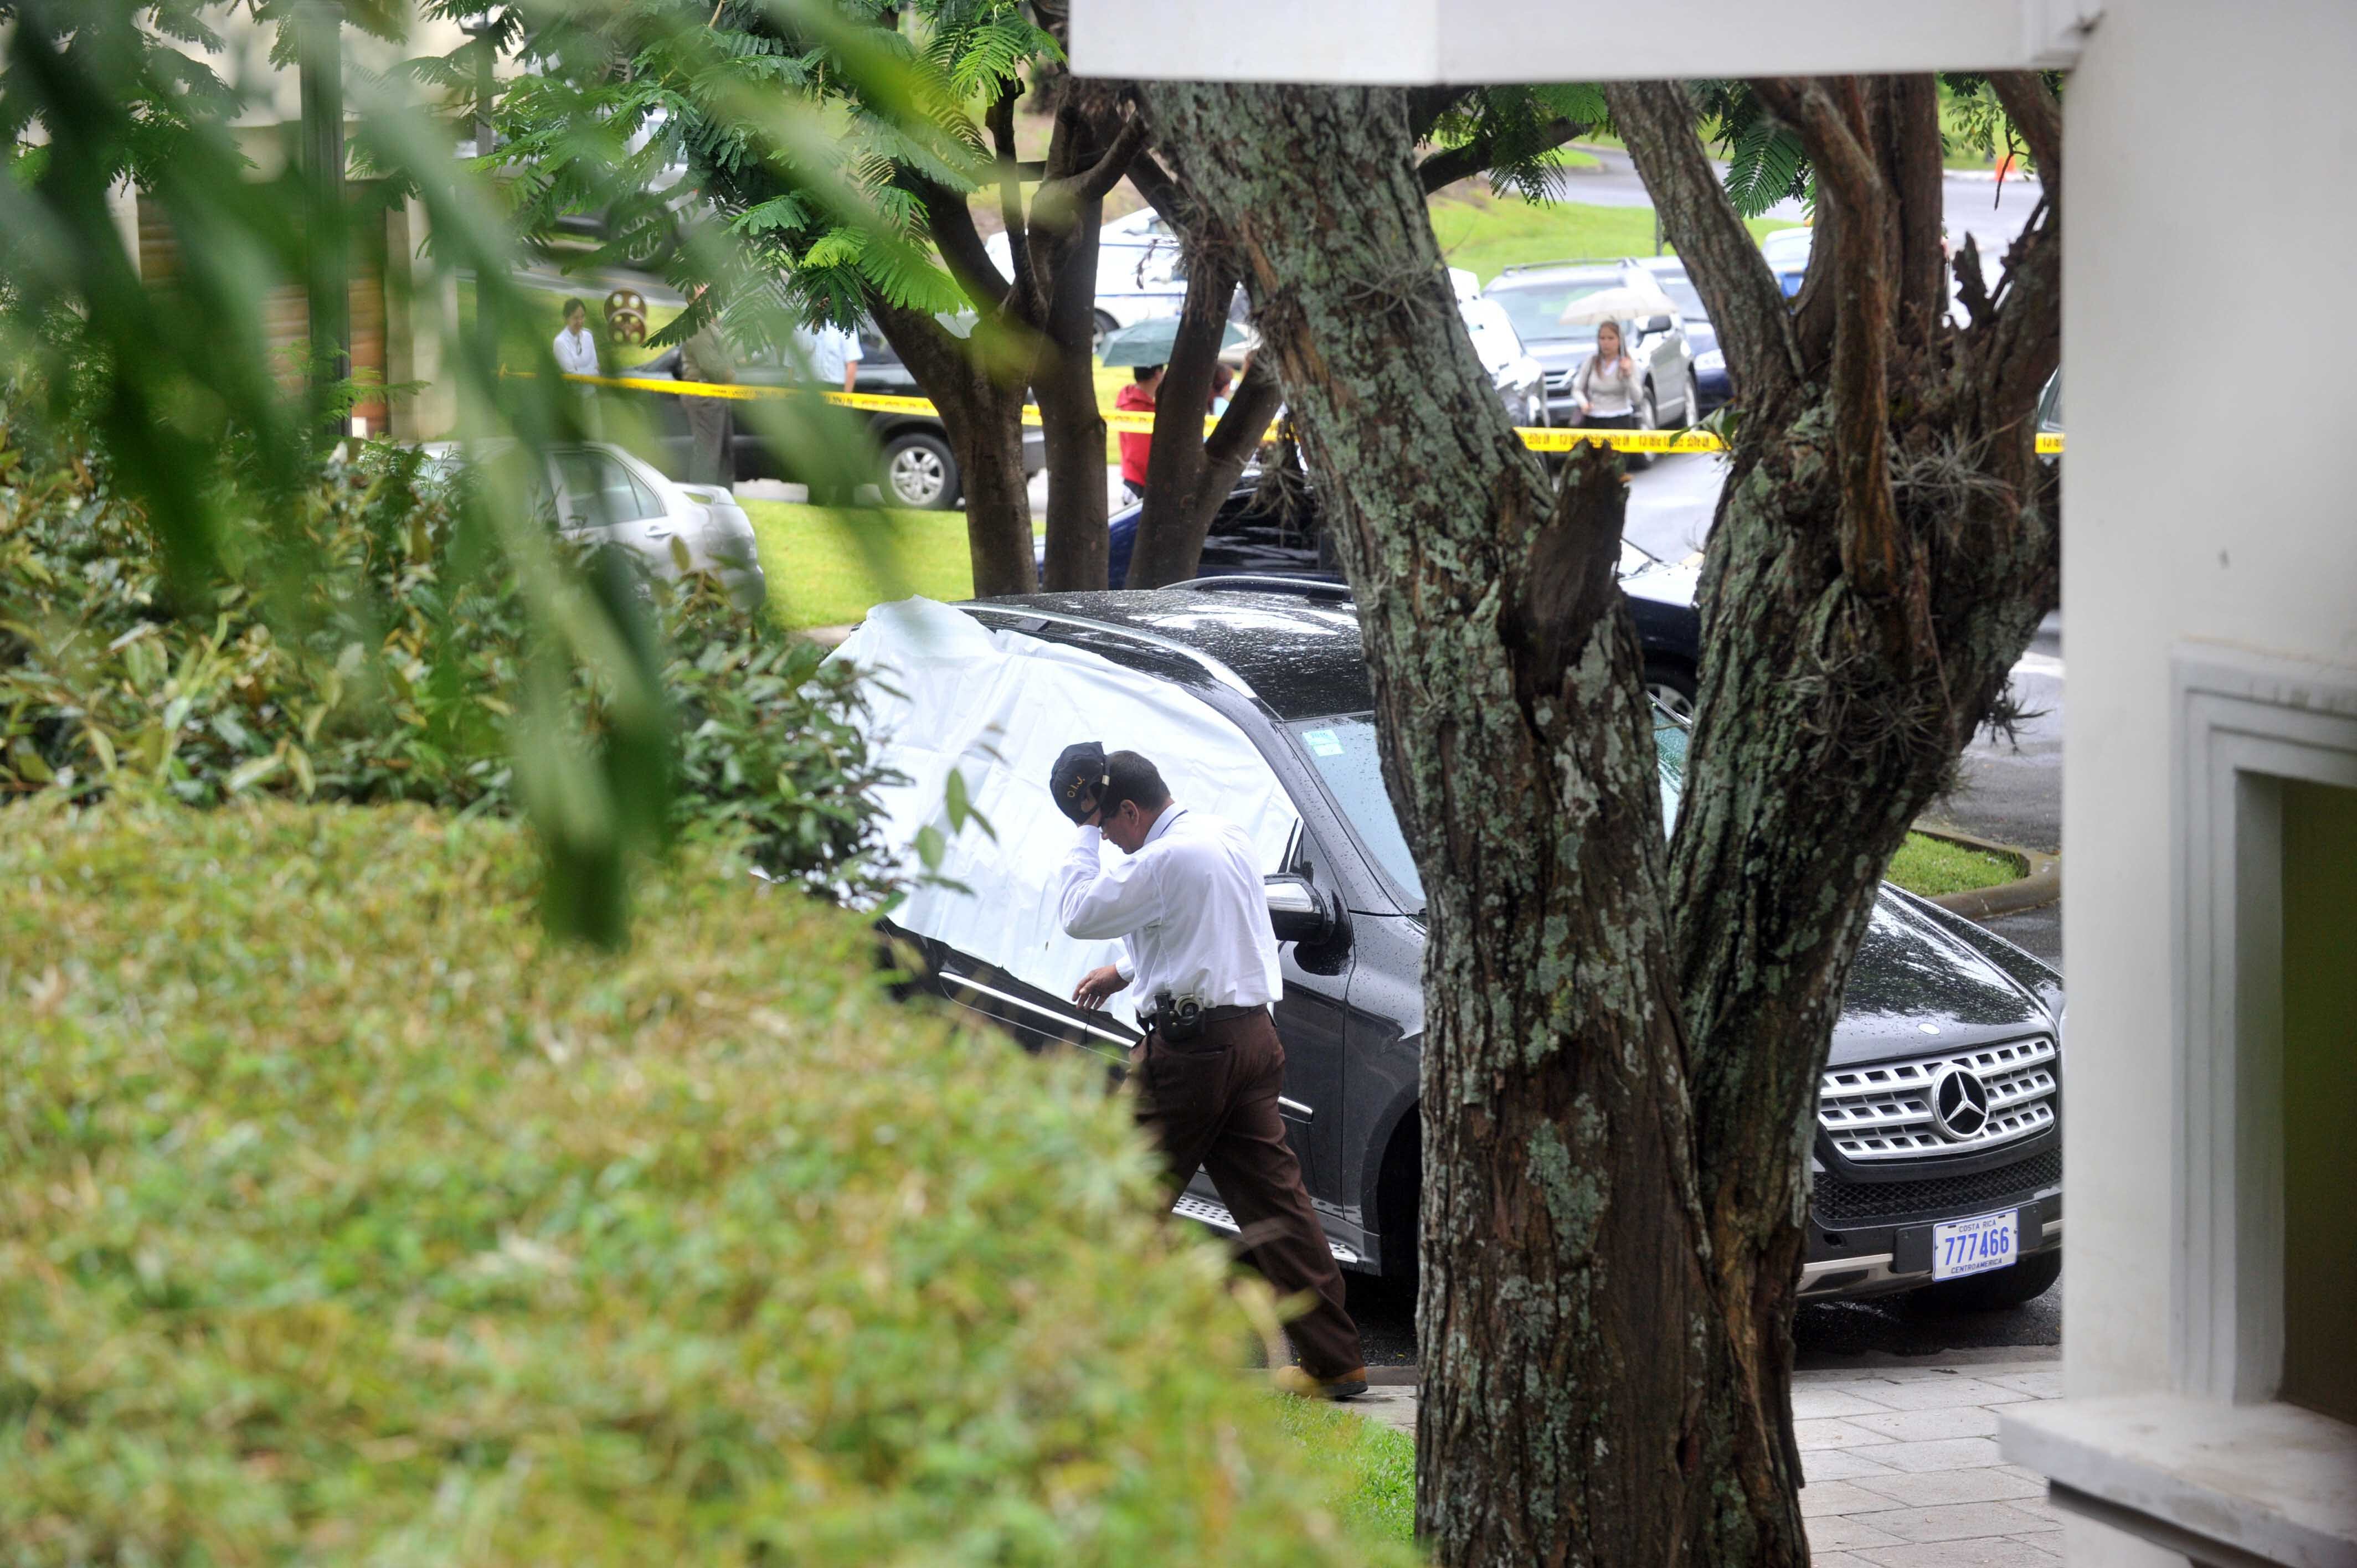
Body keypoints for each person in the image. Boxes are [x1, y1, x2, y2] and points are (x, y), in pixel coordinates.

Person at [1051, 743, 1369, 1400]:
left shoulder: (1164, 858)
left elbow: (1078, 912)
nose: (1110, 844)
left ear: (1130, 811)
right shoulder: (1220, 834)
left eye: (1108, 829)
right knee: (1276, 1205)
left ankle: (1084, 1364)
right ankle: (1336, 1361)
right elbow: (1202, 927)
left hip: (1191, 1056)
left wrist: (1081, 835)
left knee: (1116, 1193)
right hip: (1251, 1042)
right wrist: (1128, 971)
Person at [1572, 318, 1649, 470]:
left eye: (1611, 338)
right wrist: (1584, 404)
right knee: (1595, 469)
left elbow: (1637, 397)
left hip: (1620, 420)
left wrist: (1627, 375)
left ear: (1619, 341)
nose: (1606, 343)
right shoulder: (1592, 362)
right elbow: (1577, 389)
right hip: (1595, 420)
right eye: (1602, 338)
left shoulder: (1628, 363)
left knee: (1616, 470)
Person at [678, 287, 737, 487]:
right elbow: (710, 364)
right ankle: (703, 503)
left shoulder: (712, 322)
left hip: (717, 393)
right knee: (708, 457)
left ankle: (724, 504)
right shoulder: (696, 325)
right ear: (690, 301)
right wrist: (731, 374)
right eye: (701, 296)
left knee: (723, 456)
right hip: (705, 396)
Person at [552, 298, 602, 436]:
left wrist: (584, 373)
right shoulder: (560, 342)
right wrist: (591, 372)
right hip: (573, 401)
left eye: (582, 317)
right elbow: (572, 376)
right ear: (566, 319)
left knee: (595, 438)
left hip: (591, 398)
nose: (580, 322)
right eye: (576, 318)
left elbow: (596, 370)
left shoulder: (588, 336)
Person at [1115, 364, 1162, 502]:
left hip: (1136, 481)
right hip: (1141, 484)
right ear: (1157, 374)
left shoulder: (1132, 403)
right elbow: (1140, 454)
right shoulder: (1138, 409)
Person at [793, 317, 863, 395]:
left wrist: (846, 398)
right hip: (805, 388)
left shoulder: (843, 327)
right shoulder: (799, 330)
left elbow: (852, 363)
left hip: (834, 388)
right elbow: (791, 366)